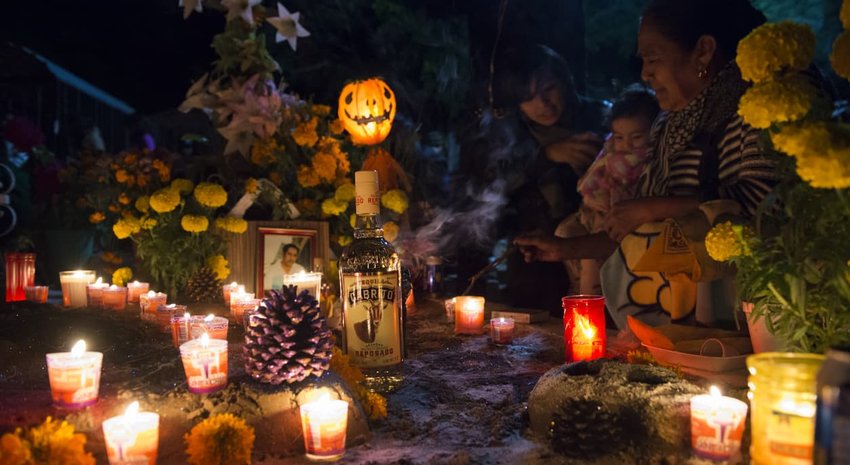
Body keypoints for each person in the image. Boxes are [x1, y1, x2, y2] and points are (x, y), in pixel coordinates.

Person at [515, 0, 779, 328]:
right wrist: (563, 248)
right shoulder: (666, 123)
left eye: (653, 58)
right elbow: (635, 233)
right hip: (668, 321)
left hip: (737, 325)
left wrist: (656, 208)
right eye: (643, 61)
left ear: (704, 50)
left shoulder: (756, 110)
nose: (645, 73)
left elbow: (766, 208)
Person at [556, 85, 660, 295]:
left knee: (591, 255)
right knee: (564, 233)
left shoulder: (651, 159)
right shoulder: (609, 152)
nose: (626, 145)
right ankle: (578, 287)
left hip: (621, 218)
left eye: (637, 137)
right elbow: (592, 179)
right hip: (592, 210)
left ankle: (590, 298)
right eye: (620, 137)